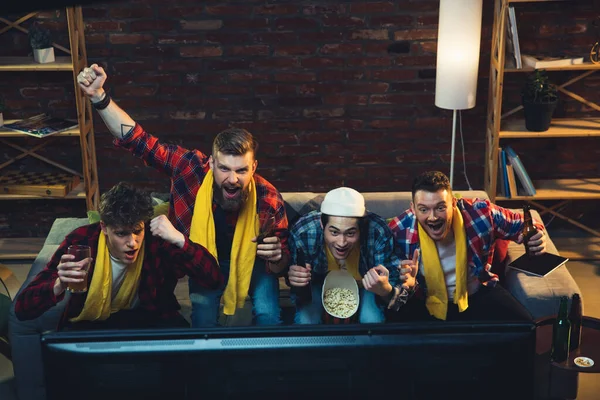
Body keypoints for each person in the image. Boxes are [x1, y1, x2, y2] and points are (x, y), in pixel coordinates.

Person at [76, 64, 289, 327]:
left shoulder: (268, 199)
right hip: (203, 259)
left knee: (269, 316)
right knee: (201, 320)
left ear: (253, 168)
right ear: (211, 164)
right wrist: (99, 97)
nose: (233, 179)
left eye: (241, 170)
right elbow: (138, 141)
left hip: (252, 262)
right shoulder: (190, 168)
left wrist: (278, 257)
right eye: (224, 169)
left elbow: (281, 267)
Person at [14, 182, 223, 330]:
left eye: (137, 231)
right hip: (93, 323)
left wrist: (180, 240)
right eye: (121, 233)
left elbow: (213, 279)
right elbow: (22, 310)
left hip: (150, 318)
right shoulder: (82, 243)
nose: (132, 242)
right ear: (104, 228)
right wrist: (58, 284)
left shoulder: (155, 239)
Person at [387, 171, 546, 322]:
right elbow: (392, 289)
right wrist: (407, 283)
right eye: (423, 209)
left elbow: (526, 224)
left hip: (476, 294)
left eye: (441, 207)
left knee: (524, 327)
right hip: (424, 302)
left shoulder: (481, 213)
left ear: (453, 203)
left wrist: (536, 236)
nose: (433, 217)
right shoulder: (398, 231)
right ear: (413, 208)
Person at [287, 187, 417, 324]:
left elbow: (400, 295)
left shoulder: (378, 232)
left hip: (366, 286)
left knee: (372, 319)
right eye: (334, 233)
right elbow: (299, 295)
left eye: (350, 233)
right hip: (317, 283)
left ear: (361, 228)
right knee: (306, 320)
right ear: (322, 225)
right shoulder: (303, 232)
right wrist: (298, 282)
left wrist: (386, 291)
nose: (341, 243)